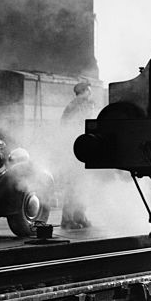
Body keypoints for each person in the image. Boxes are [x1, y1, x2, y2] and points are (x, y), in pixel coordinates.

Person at [60, 82, 95, 229]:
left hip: (82, 150)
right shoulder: (76, 107)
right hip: (76, 152)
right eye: (89, 91)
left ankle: (79, 215)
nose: (91, 94)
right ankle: (67, 219)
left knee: (82, 185)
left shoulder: (79, 106)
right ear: (83, 91)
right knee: (73, 185)